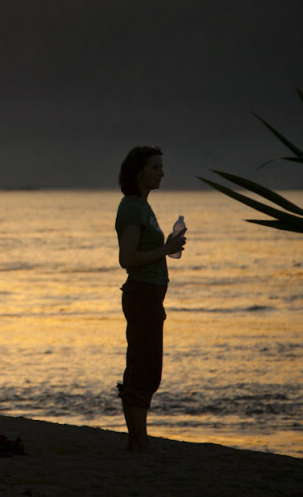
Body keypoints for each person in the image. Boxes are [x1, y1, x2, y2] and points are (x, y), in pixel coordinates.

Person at [114, 145, 186, 452]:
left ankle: (138, 438)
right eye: (155, 167)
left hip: (150, 294)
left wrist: (167, 246)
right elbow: (127, 258)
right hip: (142, 293)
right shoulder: (132, 206)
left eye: (161, 167)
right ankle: (138, 439)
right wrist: (166, 249)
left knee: (145, 365)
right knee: (144, 366)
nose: (162, 173)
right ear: (138, 172)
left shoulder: (142, 206)